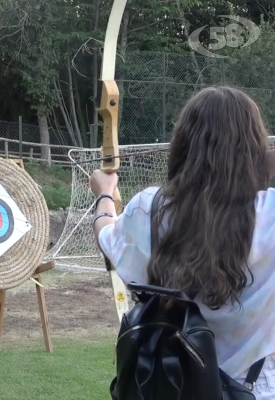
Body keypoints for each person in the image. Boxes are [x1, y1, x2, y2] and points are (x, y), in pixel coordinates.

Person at [90, 86, 275, 398]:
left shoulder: (148, 207)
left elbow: (104, 232)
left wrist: (105, 193)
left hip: (168, 386)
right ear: (255, 149)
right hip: (253, 390)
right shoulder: (269, 214)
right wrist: (256, 160)